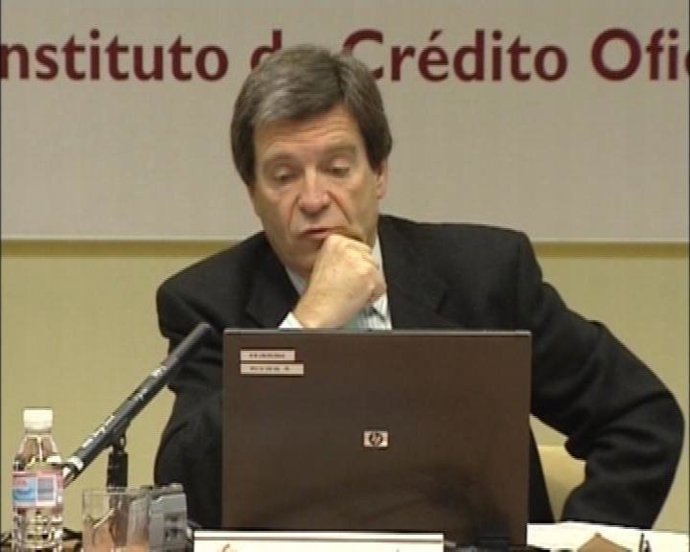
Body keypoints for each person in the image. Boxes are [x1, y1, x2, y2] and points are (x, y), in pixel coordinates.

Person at [153, 44, 683, 530]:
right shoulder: (206, 302)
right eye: (284, 176)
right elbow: (183, 491)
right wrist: (305, 328)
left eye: (337, 168)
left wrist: (579, 542)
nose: (313, 199)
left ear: (379, 173)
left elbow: (640, 417)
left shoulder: (485, 276)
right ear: (253, 193)